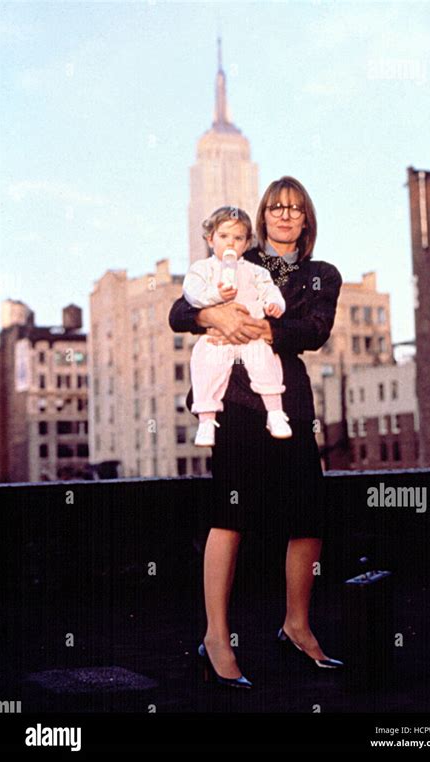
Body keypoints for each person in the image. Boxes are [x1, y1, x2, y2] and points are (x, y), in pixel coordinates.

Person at [168, 176, 344, 688]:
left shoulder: (321, 275)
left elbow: (313, 330)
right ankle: (216, 639)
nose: (285, 215)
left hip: (290, 404)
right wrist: (211, 312)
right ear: (261, 217)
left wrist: (257, 326)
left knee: (308, 517)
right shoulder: (238, 258)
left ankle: (296, 626)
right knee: (229, 515)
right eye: (275, 207)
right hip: (236, 406)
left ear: (306, 219)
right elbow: (180, 312)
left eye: (295, 208)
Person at [182, 205, 292, 447]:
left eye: (238, 238)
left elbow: (269, 290)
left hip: (251, 335)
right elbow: (191, 294)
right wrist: (214, 295)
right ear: (211, 239)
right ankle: (207, 419)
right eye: (223, 236)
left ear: (246, 243)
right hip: (218, 336)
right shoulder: (202, 269)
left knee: (265, 362)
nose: (230, 243)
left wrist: (275, 304)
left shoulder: (255, 271)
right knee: (206, 366)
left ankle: (274, 412)